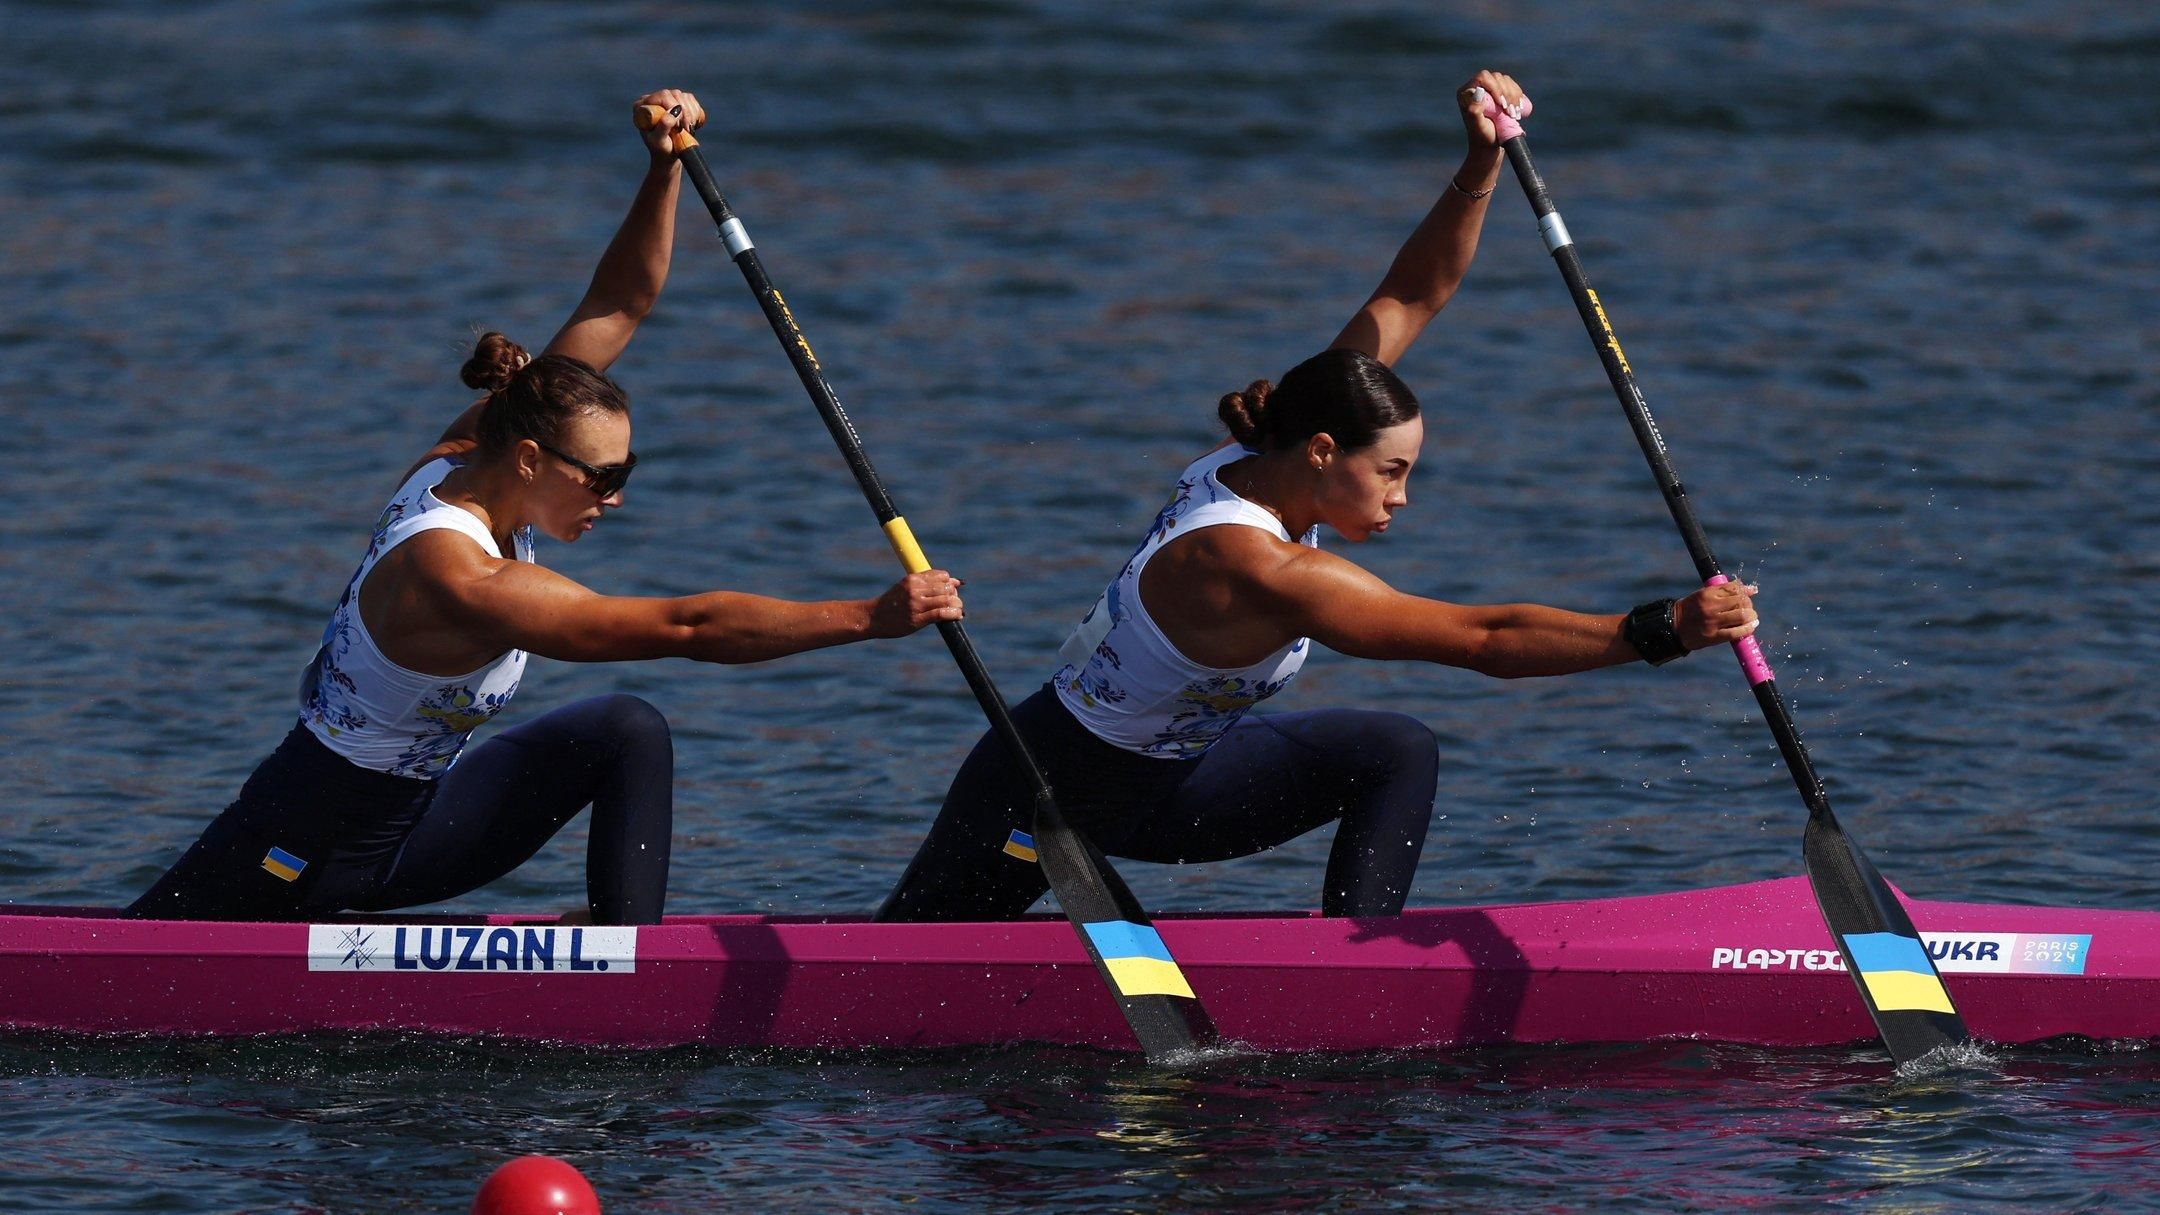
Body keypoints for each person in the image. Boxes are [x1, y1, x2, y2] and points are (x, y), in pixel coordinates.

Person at [878, 70, 1757, 922]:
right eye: (1393, 472)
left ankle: (1358, 965)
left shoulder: (1265, 447)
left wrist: (1481, 162)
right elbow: (1482, 640)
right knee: (893, 994)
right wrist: (1660, 629)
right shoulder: (1253, 561)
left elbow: (1413, 294)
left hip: (1176, 784)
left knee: (1395, 749)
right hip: (1038, 794)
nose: (1403, 498)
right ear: (1326, 450)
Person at [129, 90, 964, 926]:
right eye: (600, 477)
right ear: (531, 458)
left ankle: (620, 955)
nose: (616, 495)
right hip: (303, 844)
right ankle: (624, 982)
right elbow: (687, 629)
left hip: (410, 823)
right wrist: (868, 617)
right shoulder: (456, 573)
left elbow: (619, 304)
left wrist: (662, 169)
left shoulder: (478, 449)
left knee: (626, 731)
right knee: (138, 949)